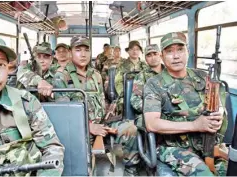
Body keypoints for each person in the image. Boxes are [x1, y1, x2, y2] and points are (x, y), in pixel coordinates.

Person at [0, 32, 64, 176]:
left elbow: (51, 148)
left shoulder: (25, 101)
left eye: (1, 64)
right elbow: (24, 73)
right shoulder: (26, 68)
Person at [143, 32, 228, 176]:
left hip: (208, 142)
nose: (176, 56)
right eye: (169, 51)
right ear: (162, 56)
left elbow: (217, 104)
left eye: (180, 50)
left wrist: (218, 117)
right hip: (173, 147)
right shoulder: (154, 84)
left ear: (188, 52)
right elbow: (152, 123)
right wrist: (195, 125)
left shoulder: (201, 77)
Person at [53, 36, 140, 176]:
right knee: (85, 166)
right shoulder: (62, 76)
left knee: (131, 129)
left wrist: (109, 111)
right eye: (78, 50)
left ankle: (131, 170)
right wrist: (90, 127)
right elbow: (65, 115)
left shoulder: (96, 75)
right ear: (70, 52)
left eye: (86, 50)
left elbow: (101, 100)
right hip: (79, 129)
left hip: (101, 123)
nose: (83, 54)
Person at [130, 44, 164, 126]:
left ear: (160, 55)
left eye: (155, 54)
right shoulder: (141, 76)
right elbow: (135, 100)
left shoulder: (170, 72)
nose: (153, 58)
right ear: (145, 59)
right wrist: (153, 110)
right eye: (149, 55)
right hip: (149, 113)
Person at [115, 40, 148, 115]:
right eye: (132, 49)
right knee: (122, 104)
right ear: (128, 51)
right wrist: (124, 94)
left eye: (137, 49)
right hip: (126, 93)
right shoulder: (122, 65)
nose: (135, 51)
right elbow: (118, 82)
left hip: (142, 93)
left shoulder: (145, 65)